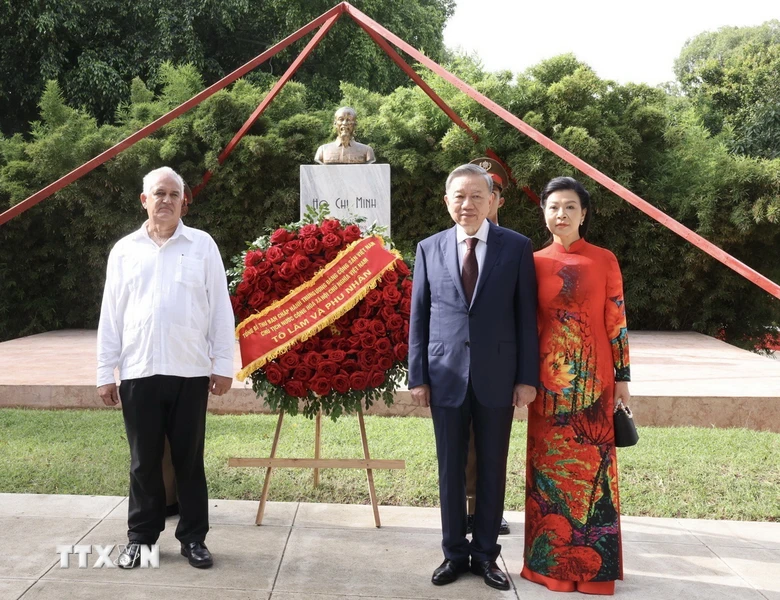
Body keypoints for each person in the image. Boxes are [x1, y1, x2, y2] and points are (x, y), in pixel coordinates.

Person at [96, 167, 234, 569]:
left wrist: (222, 364)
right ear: (144, 200)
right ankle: (141, 538)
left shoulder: (202, 245)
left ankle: (193, 538)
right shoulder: (124, 250)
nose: (167, 200)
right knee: (143, 460)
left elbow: (219, 309)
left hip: (190, 371)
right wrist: (106, 372)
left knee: (190, 460)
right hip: (139, 371)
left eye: (175, 194)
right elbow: (111, 315)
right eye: (159, 193)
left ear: (183, 201)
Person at [408, 163, 538, 590]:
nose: (468, 204)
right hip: (444, 376)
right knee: (449, 469)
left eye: (477, 196)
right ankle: (453, 554)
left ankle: (484, 555)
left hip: (498, 378)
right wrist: (417, 376)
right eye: (459, 197)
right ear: (447, 201)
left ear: (493, 201)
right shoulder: (428, 248)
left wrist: (526, 377)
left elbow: (525, 318)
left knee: (492, 467)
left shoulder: (516, 247)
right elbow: (420, 317)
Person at [522, 176, 631, 595]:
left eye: (570, 206)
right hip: (548, 386)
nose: (561, 214)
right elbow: (527, 325)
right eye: (553, 207)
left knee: (592, 476)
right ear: (544, 213)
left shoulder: (605, 260)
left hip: (596, 384)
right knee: (548, 473)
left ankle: (595, 574)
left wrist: (623, 378)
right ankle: (550, 568)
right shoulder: (530, 262)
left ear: (584, 213)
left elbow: (616, 321)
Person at [464, 156, 511, 537]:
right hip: (459, 370)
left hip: (497, 368)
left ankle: (490, 511)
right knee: (464, 449)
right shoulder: (451, 243)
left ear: (496, 199)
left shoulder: (514, 247)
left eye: (488, 192)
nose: (480, 202)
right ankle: (467, 506)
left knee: (491, 448)